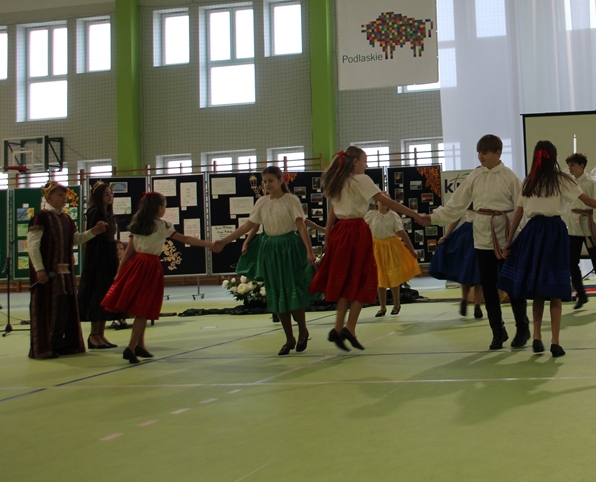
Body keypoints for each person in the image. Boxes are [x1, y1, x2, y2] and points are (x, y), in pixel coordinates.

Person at [500, 141, 596, 357]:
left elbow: (519, 213)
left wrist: (509, 240)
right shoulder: (561, 179)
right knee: (555, 289)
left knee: (538, 289)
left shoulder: (529, 181)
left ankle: (536, 337)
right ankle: (555, 341)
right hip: (554, 232)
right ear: (554, 157)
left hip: (533, 233)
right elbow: (588, 201)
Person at [310, 146, 425, 352]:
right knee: (365, 278)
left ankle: (338, 327)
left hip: (339, 232)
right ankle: (350, 328)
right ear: (355, 162)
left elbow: (332, 212)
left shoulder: (338, 180)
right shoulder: (361, 179)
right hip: (356, 231)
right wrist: (415, 215)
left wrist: (327, 236)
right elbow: (387, 201)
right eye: (364, 160)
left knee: (344, 280)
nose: (367, 164)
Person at [428, 135, 529, 350]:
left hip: (507, 238)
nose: (480, 156)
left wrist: (516, 238)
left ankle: (522, 328)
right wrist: (433, 218)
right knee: (488, 286)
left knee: (512, 285)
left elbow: (522, 210)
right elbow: (456, 204)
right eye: (479, 152)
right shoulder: (475, 176)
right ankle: (497, 331)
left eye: (485, 152)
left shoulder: (510, 177)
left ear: (498, 153)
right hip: (482, 238)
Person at [103, 192, 217, 364]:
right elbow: (185, 239)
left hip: (135, 264)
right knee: (143, 308)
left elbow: (128, 252)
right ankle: (131, 347)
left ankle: (140, 345)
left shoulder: (138, 224)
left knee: (141, 305)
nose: (165, 209)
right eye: (164, 206)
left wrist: (120, 271)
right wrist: (209, 244)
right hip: (149, 266)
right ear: (158, 208)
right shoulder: (163, 226)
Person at [214, 167, 317, 355]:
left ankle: (303, 330)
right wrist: (224, 241)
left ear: (280, 181)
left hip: (289, 248)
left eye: (271, 180)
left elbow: (301, 226)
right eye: (264, 181)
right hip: (270, 250)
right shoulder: (261, 202)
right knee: (277, 294)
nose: (267, 184)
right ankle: (289, 338)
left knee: (292, 291)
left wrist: (309, 251)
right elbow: (248, 226)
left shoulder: (291, 200)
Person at [26, 181, 107, 360]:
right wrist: (40, 269)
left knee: (64, 309)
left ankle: (60, 343)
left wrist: (93, 231)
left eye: (65, 195)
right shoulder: (41, 217)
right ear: (49, 197)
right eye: (60, 195)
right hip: (48, 274)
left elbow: (76, 240)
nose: (64, 198)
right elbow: (33, 246)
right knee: (47, 309)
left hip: (65, 274)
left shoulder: (66, 218)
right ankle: (46, 346)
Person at [563, 153, 596, 312]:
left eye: (572, 165)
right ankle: (581, 293)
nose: (570, 168)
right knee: (571, 262)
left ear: (581, 166)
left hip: (589, 226)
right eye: (569, 165)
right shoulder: (569, 183)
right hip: (574, 226)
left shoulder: (591, 183)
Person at [78, 181, 121, 349]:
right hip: (98, 258)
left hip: (108, 256)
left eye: (111, 194)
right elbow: (92, 237)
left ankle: (101, 334)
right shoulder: (95, 212)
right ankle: (94, 335)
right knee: (97, 295)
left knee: (105, 295)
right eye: (106, 194)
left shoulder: (108, 213)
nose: (110, 197)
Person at [365, 199, 421, 317]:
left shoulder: (393, 216)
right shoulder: (370, 215)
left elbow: (401, 232)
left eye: (386, 199)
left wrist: (411, 249)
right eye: (381, 200)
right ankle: (382, 307)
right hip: (376, 247)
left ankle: (396, 304)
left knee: (393, 276)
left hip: (391, 247)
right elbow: (364, 231)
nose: (383, 202)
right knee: (379, 277)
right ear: (376, 202)